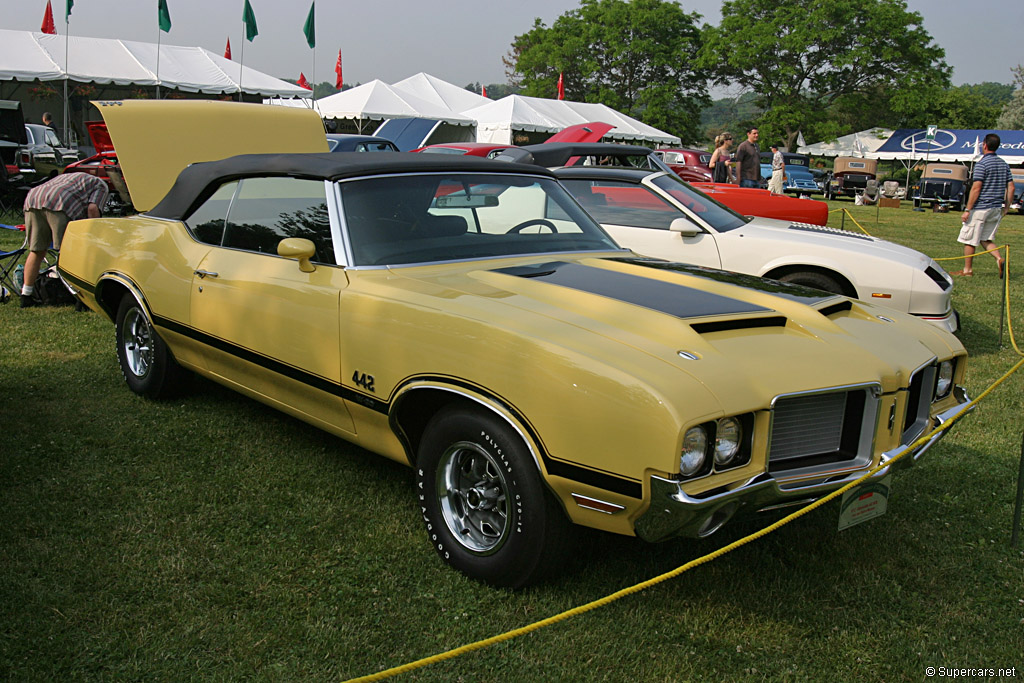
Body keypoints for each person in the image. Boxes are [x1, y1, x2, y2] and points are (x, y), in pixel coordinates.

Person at [20, 172, 108, 307]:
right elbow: (92, 209)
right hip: (60, 202)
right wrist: (93, 236)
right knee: (69, 254)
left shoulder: (74, 176)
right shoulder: (101, 185)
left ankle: (26, 295)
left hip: (33, 198)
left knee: (37, 251)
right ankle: (80, 299)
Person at [952, 133, 1012, 277]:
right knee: (986, 238)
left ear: (984, 145)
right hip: (996, 208)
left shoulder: (982, 164)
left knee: (969, 240)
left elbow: (976, 187)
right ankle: (999, 259)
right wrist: (1007, 207)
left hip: (981, 208)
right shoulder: (1004, 164)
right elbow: (1011, 187)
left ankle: (967, 270)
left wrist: (967, 209)